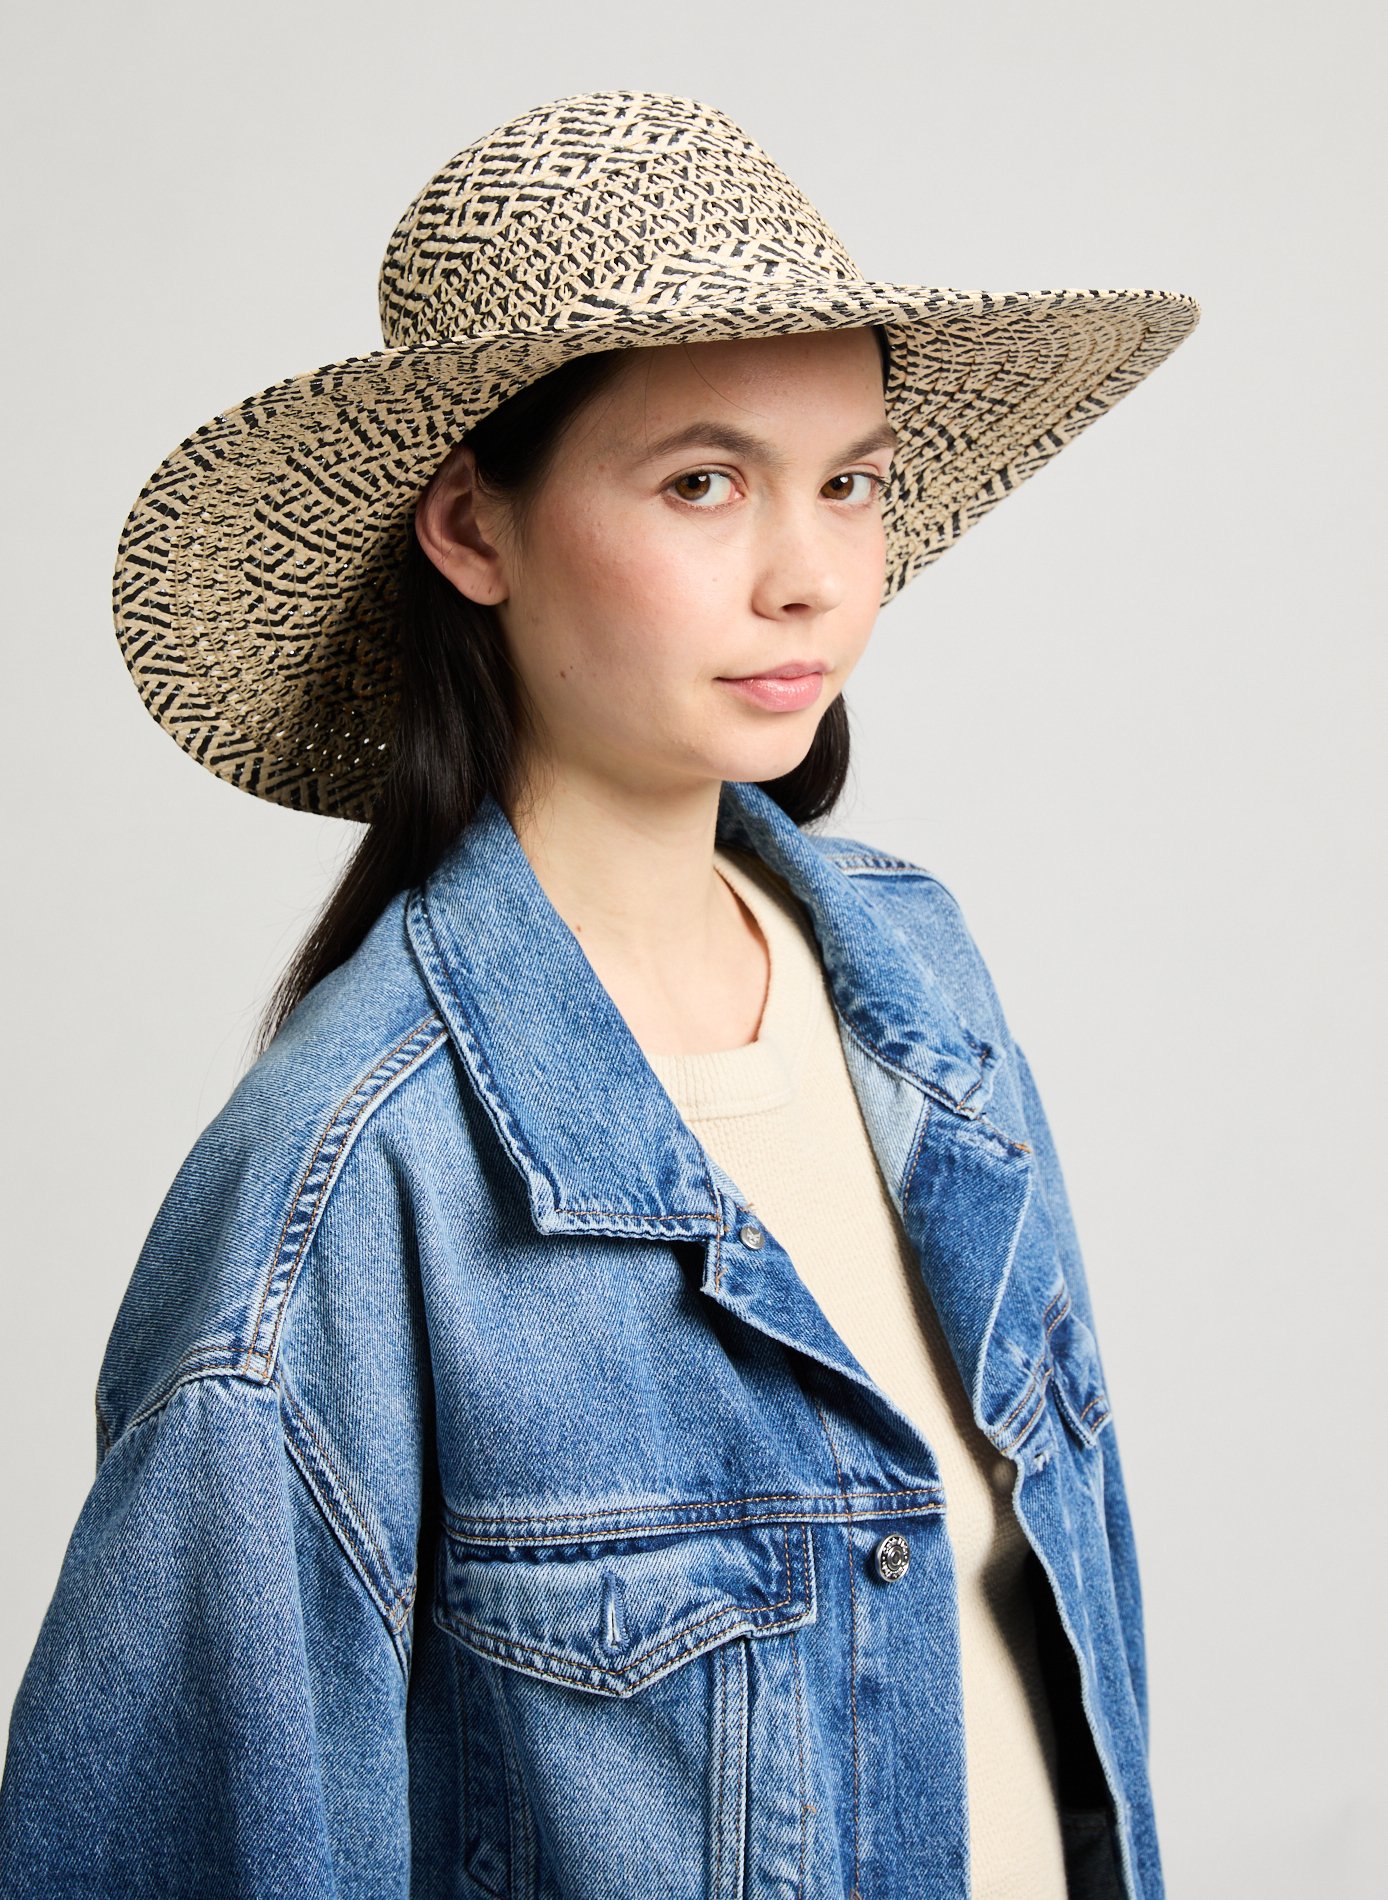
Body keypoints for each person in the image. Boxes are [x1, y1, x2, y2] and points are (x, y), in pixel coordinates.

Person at [0, 90, 1199, 1900]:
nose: (809, 573)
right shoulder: (351, 1184)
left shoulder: (920, 989)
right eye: (702, 481)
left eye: (851, 480)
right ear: (473, 530)